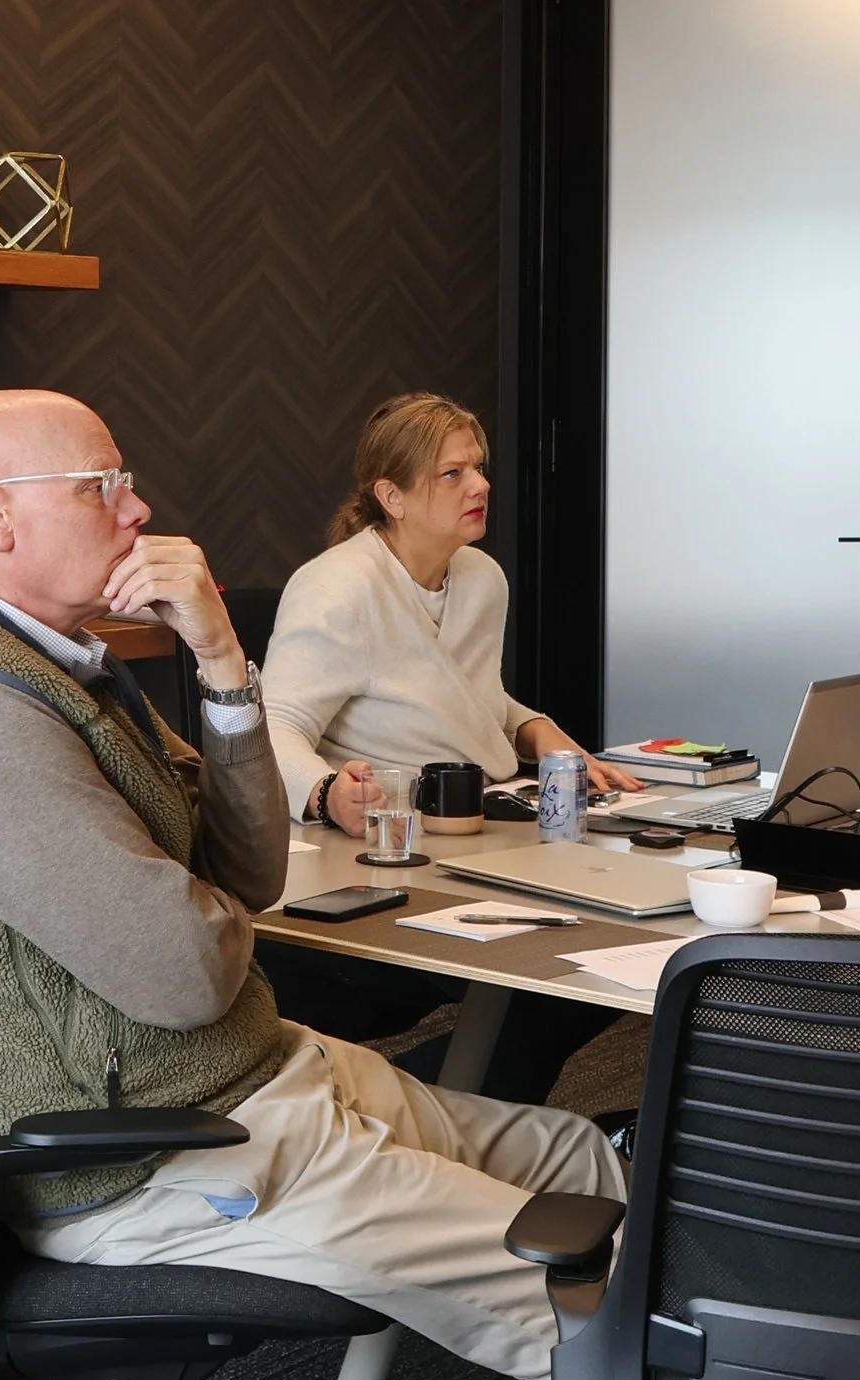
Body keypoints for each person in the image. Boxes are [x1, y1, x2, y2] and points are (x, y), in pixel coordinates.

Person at [0, 385, 623, 1380]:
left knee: (584, 1165)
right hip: (157, 1156)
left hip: (258, 1075)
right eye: (101, 486)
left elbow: (247, 872)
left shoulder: (71, 669)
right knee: (597, 1290)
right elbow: (186, 974)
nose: (137, 509)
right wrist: (215, 911)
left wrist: (220, 663)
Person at [262, 392, 639, 1102]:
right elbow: (273, 723)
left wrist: (537, 730)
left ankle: (444, 1104)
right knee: (558, 975)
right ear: (391, 496)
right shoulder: (337, 587)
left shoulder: (479, 577)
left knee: (612, 952)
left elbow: (470, 699)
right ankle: (432, 1109)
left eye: (480, 468)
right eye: (452, 474)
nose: (481, 486)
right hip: (391, 852)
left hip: (485, 828)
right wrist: (324, 792)